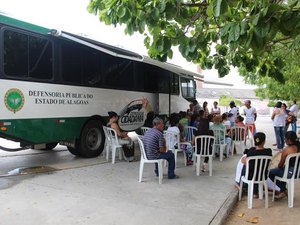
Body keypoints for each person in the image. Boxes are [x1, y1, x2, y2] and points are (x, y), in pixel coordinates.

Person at [234, 132, 272, 198]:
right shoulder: (268, 151)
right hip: (263, 176)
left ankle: (240, 185)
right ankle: (255, 192)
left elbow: (243, 161)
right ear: (264, 141)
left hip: (250, 176)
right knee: (256, 170)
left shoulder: (251, 151)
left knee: (246, 167)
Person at [269, 131, 300, 200]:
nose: (284, 140)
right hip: (298, 172)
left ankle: (283, 190)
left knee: (270, 172)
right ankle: (282, 192)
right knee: (283, 170)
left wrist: (277, 166)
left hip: (290, 173)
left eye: (285, 139)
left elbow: (280, 165)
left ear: (288, 140)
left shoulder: (287, 150)